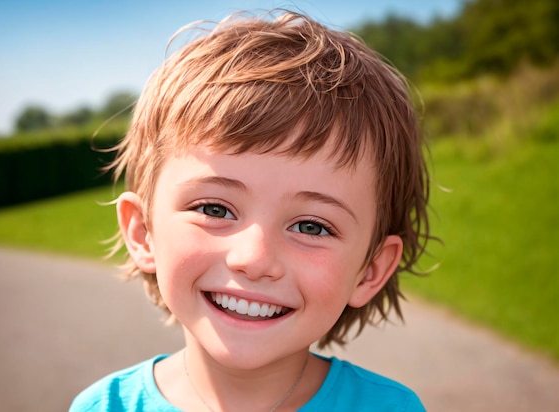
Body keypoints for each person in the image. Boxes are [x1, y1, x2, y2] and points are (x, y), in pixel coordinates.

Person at [71, 9, 431, 412]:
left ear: (370, 270)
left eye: (311, 227)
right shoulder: (104, 407)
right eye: (214, 208)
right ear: (142, 233)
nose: (255, 259)